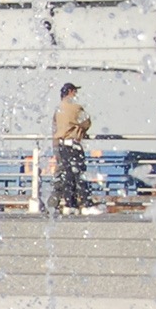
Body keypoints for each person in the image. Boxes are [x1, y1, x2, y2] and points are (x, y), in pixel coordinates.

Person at [52, 82, 93, 213]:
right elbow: (87, 122)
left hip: (62, 146)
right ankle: (86, 204)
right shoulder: (75, 108)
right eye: (75, 91)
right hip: (73, 146)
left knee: (68, 176)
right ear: (70, 92)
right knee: (80, 174)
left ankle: (70, 205)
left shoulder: (58, 108)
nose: (76, 94)